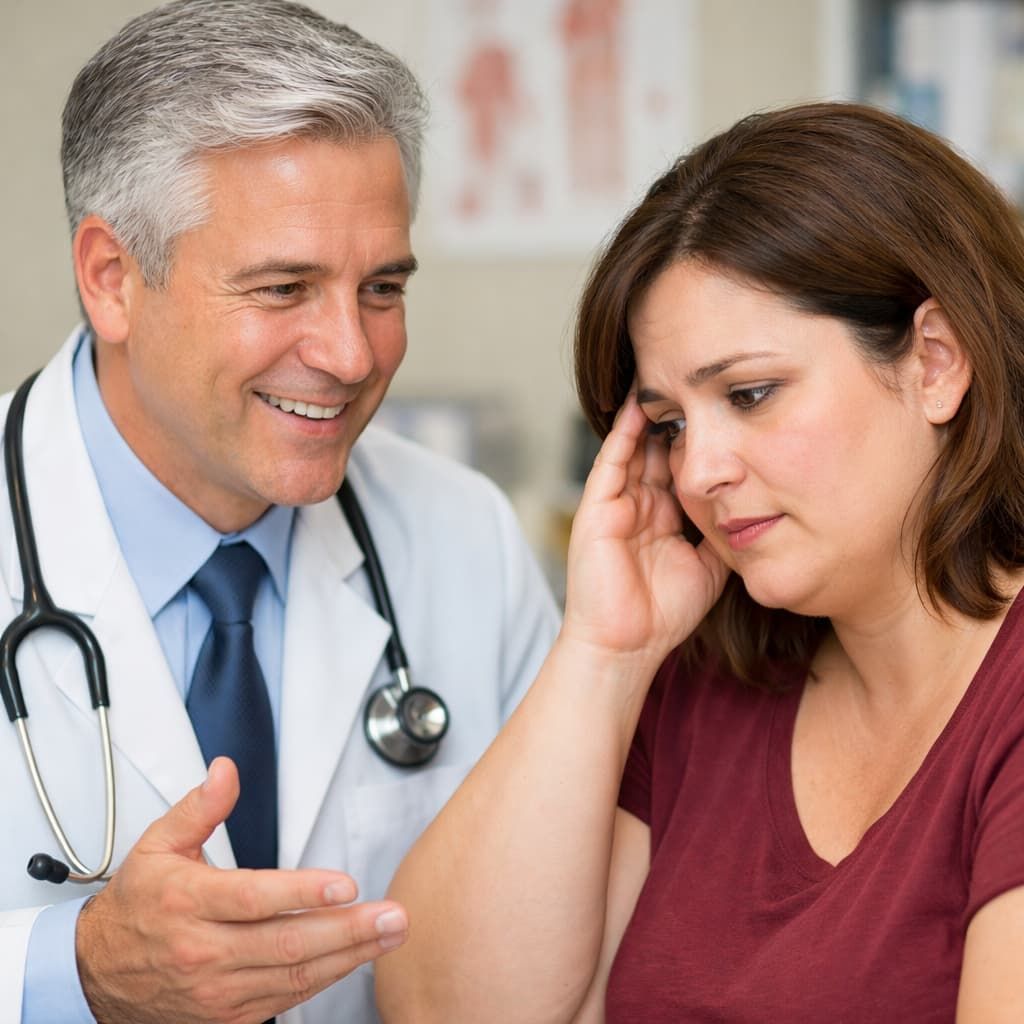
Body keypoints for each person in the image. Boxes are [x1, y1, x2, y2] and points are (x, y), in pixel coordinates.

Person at [377, 101, 1024, 1022]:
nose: (700, 472)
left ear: (936, 361)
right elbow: (444, 1011)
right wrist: (604, 653)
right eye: (671, 426)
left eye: (751, 394)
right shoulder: (709, 682)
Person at [0, 2, 560, 1022]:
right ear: (111, 278)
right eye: (283, 287)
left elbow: (559, 923)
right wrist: (73, 967)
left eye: (381, 286)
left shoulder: (462, 535)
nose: (351, 355)